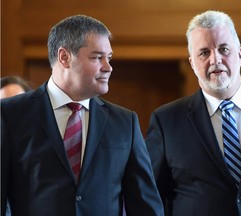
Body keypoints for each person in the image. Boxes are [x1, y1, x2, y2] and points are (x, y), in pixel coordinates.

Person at [1, 15, 164, 216]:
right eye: (97, 57)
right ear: (64, 57)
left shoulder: (125, 122)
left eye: (109, 57)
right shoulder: (9, 115)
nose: (108, 67)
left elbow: (145, 206)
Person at [145, 10, 241, 216]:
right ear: (193, 63)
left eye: (223, 49)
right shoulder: (166, 121)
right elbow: (150, 197)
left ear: (239, 53)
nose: (215, 60)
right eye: (204, 52)